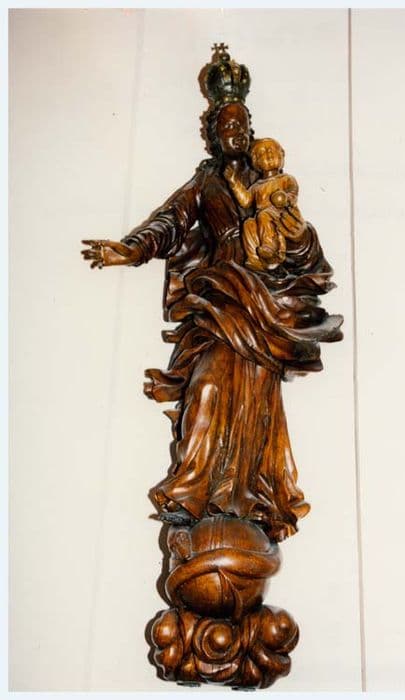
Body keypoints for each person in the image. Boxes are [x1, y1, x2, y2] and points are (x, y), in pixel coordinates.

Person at [81, 50, 343, 543]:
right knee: (205, 388)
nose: (235, 132)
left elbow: (306, 250)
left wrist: (295, 234)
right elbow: (169, 222)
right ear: (212, 135)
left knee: (256, 407)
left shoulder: (272, 183)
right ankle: (192, 496)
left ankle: (250, 502)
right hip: (221, 299)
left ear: (250, 129)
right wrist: (130, 249)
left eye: (241, 124)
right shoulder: (206, 183)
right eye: (226, 126)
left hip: (264, 307)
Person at [224, 137, 302, 271]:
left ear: (281, 155)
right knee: (248, 224)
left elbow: (293, 192)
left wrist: (286, 198)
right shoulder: (257, 186)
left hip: (281, 214)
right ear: (256, 162)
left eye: (272, 150)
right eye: (263, 153)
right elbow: (245, 201)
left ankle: (271, 248)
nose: (269, 154)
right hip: (263, 218)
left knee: (263, 215)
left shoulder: (286, 179)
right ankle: (254, 259)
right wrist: (233, 182)